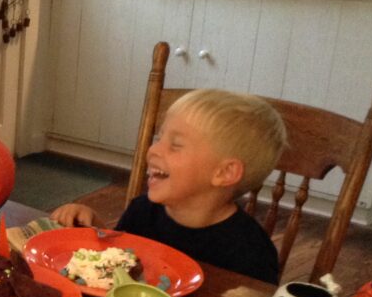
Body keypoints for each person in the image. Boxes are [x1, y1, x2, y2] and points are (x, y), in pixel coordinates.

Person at [50, 89, 288, 284]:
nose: (153, 150)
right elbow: (121, 259)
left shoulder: (251, 253)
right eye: (158, 138)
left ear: (224, 173)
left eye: (175, 145)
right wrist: (93, 226)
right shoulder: (143, 212)